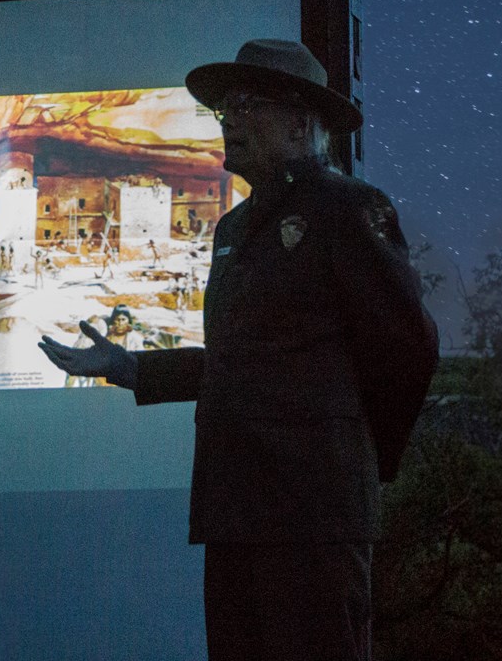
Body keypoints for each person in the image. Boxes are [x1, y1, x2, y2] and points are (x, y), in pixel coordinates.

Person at [39, 38, 439, 661]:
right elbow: (242, 359)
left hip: (312, 515)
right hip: (234, 509)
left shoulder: (347, 208)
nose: (231, 122)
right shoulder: (235, 226)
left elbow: (407, 349)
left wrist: (352, 455)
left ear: (302, 120)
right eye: (225, 109)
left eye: (248, 104)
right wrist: (131, 366)